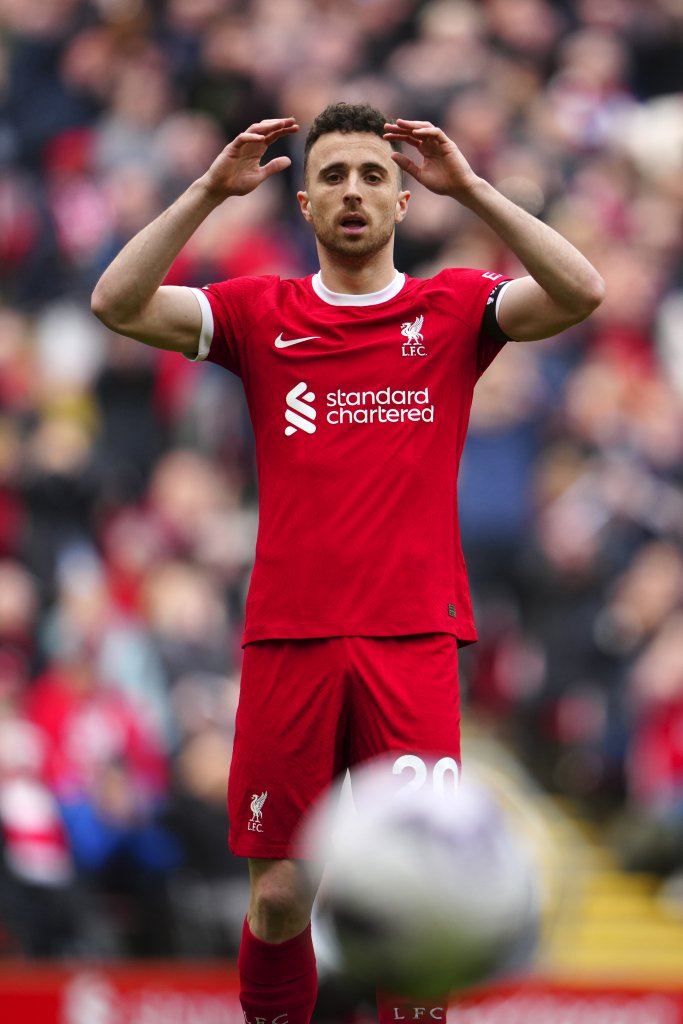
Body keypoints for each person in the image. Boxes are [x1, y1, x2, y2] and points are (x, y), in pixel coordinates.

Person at [91, 102, 604, 1023]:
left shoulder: (451, 309)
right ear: (306, 203)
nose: (354, 190)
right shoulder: (260, 312)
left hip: (412, 637)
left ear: (403, 199)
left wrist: (471, 188)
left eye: (373, 174)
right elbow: (116, 303)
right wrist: (208, 190)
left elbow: (580, 292)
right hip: (288, 636)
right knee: (282, 895)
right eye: (332, 175)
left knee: (422, 887)